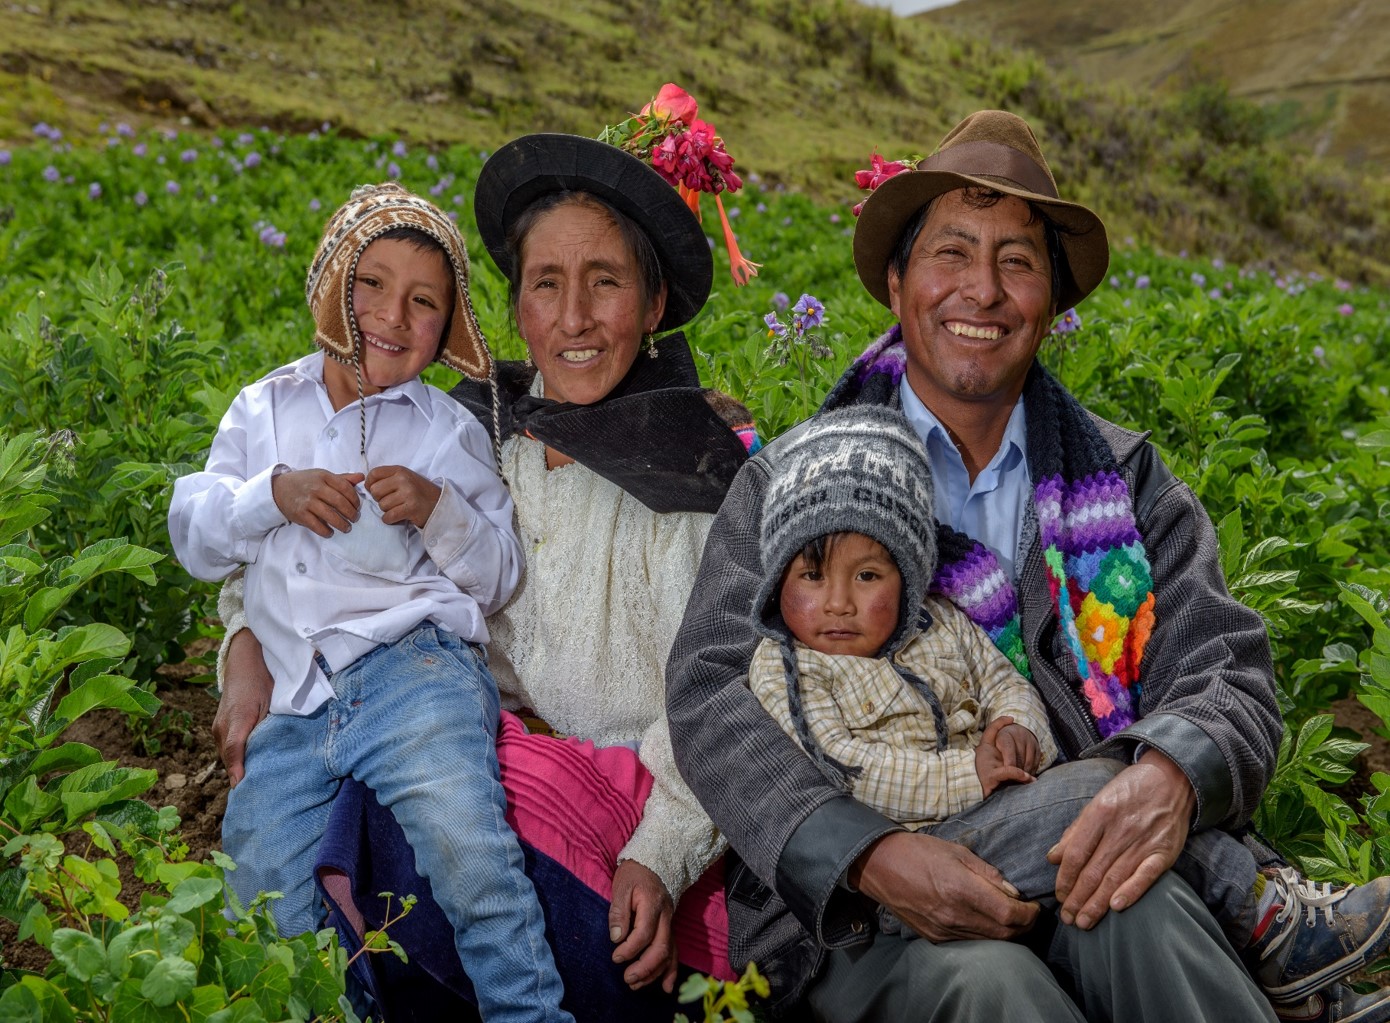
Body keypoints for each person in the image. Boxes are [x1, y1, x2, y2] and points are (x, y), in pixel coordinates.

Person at [666, 107, 1390, 1023]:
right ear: (896, 283)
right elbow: (709, 691)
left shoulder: (1128, 480)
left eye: (1017, 261)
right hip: (853, 914)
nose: (983, 290)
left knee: (1136, 906)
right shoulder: (797, 480)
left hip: (1083, 857)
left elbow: (1228, 671)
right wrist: (865, 853)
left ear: (1050, 301)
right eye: (952, 253)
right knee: (992, 985)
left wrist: (1167, 778)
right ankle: (1280, 955)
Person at [210, 133, 753, 1020]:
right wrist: (243, 639)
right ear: (513, 305)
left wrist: (662, 851)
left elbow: (729, 697)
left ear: (655, 303)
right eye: (546, 283)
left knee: (459, 839)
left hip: (623, 832)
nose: (573, 319)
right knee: (331, 803)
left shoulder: (694, 478)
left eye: (606, 282)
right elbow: (297, 545)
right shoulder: (471, 429)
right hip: (451, 752)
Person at [748, 404, 1390, 1010]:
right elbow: (844, 766)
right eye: (812, 576)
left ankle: (1292, 974)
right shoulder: (785, 664)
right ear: (777, 582)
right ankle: (1268, 921)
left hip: (1002, 826)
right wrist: (971, 774)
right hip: (902, 860)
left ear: (908, 576)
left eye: (867, 576)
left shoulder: (938, 624)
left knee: (1126, 851)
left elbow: (1004, 682)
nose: (839, 602)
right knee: (1100, 795)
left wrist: (1016, 727)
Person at [168, 183, 575, 1021]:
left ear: (449, 325)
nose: (393, 316)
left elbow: (499, 575)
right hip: (294, 700)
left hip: (414, 672)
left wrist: (437, 508)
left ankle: (527, 1009)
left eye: (425, 301)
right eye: (372, 285)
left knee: (468, 848)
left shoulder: (445, 430)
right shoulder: (264, 407)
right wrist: (270, 496)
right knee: (259, 880)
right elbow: (194, 537)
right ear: (330, 288)